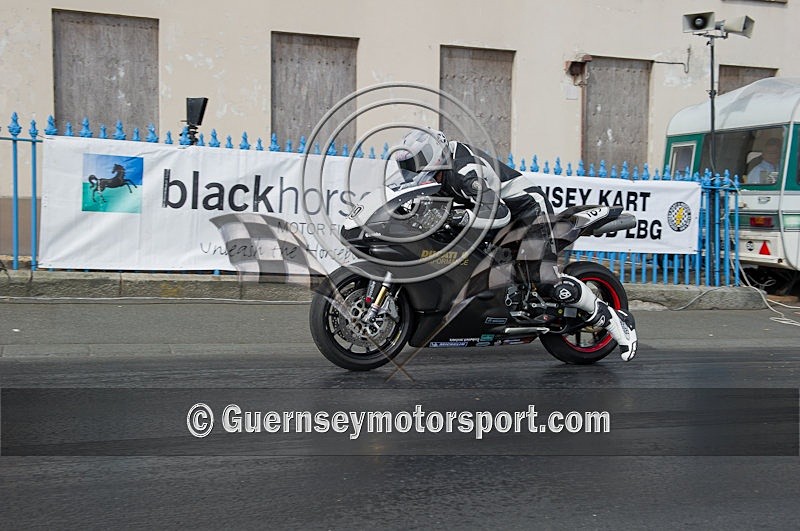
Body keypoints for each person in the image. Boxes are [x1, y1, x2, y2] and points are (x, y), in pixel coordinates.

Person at [394, 128, 637, 361]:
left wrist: (461, 217)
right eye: (406, 166)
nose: (410, 170)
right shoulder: (436, 176)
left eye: (413, 164)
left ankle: (616, 321)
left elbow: (498, 214)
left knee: (543, 279)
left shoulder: (465, 173)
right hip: (495, 216)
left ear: (432, 158)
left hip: (526, 213)